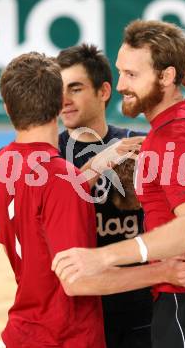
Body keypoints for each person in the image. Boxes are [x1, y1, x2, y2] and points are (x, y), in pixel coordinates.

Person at [52, 20, 185, 348]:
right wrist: (182, 71)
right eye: (122, 72)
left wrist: (103, 258)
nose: (120, 86)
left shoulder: (173, 136)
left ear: (165, 76)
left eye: (132, 75)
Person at [0, 52, 106, 348]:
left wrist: (92, 169)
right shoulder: (62, 179)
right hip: (66, 337)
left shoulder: (2, 163)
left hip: (25, 331)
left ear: (7, 106)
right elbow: (78, 281)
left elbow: (37, 194)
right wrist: (162, 271)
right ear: (59, 104)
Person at [56, 43, 152, 348]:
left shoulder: (137, 145)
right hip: (81, 314)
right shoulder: (50, 155)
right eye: (59, 90)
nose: (64, 100)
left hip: (143, 311)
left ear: (104, 91)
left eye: (75, 88)